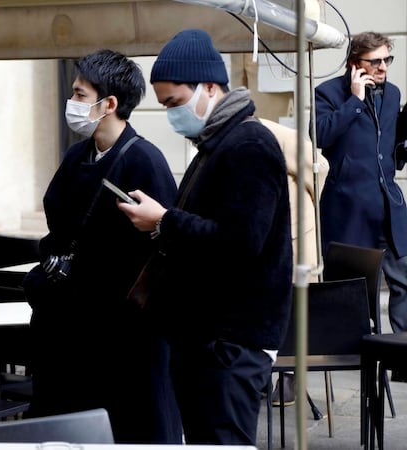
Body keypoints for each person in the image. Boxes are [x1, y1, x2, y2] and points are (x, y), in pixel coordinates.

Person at [117, 29, 292, 445]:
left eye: (174, 102)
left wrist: (164, 220)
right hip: (209, 339)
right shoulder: (216, 144)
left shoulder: (249, 143)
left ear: (209, 87)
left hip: (230, 342)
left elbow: (241, 242)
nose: (171, 114)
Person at [22, 49, 182, 443]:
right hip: (69, 331)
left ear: (108, 103)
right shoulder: (77, 155)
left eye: (79, 94)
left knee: (125, 430)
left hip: (123, 339)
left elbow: (164, 250)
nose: (72, 103)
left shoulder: (146, 160)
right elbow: (57, 227)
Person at [315, 32, 407, 382]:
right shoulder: (327, 93)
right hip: (349, 209)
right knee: (350, 295)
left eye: (387, 60)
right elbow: (320, 136)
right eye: (375, 61)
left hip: (389, 206)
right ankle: (351, 360)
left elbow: (390, 144)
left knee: (404, 282)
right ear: (355, 63)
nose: (383, 67)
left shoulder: (394, 93)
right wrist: (354, 101)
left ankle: (401, 359)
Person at [264, 118, 330, 406]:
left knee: (293, 309)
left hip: (295, 236)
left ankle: (290, 375)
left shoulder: (273, 134)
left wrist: (309, 200)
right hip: (267, 236)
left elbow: (319, 166)